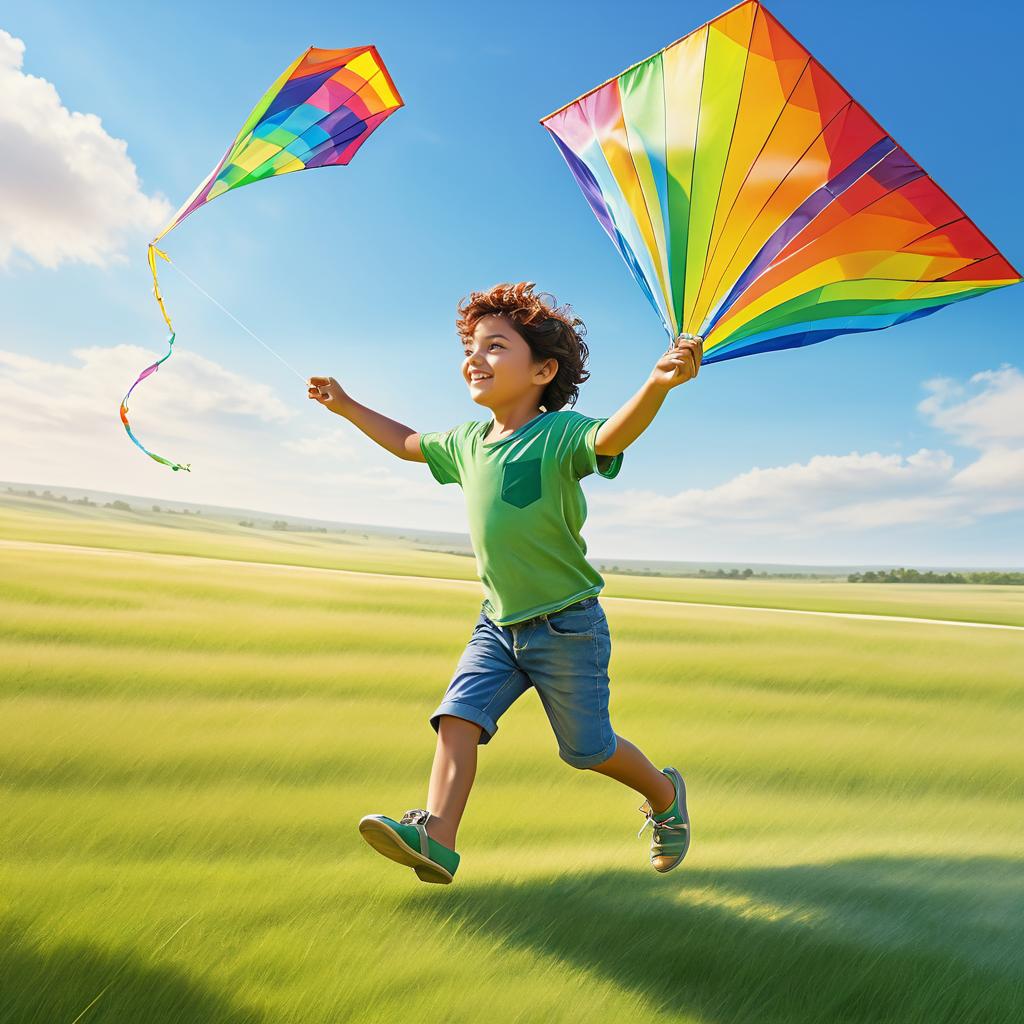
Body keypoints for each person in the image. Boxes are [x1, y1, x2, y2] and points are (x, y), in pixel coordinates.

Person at [308, 282, 702, 884]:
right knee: (457, 718)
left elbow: (612, 437)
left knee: (588, 751)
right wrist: (348, 406)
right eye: (470, 346)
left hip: (566, 625)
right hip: (497, 621)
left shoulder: (561, 433)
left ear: (544, 369)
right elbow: (409, 444)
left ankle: (665, 796)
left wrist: (657, 384)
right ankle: (436, 836)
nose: (474, 357)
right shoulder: (466, 443)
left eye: (495, 346)